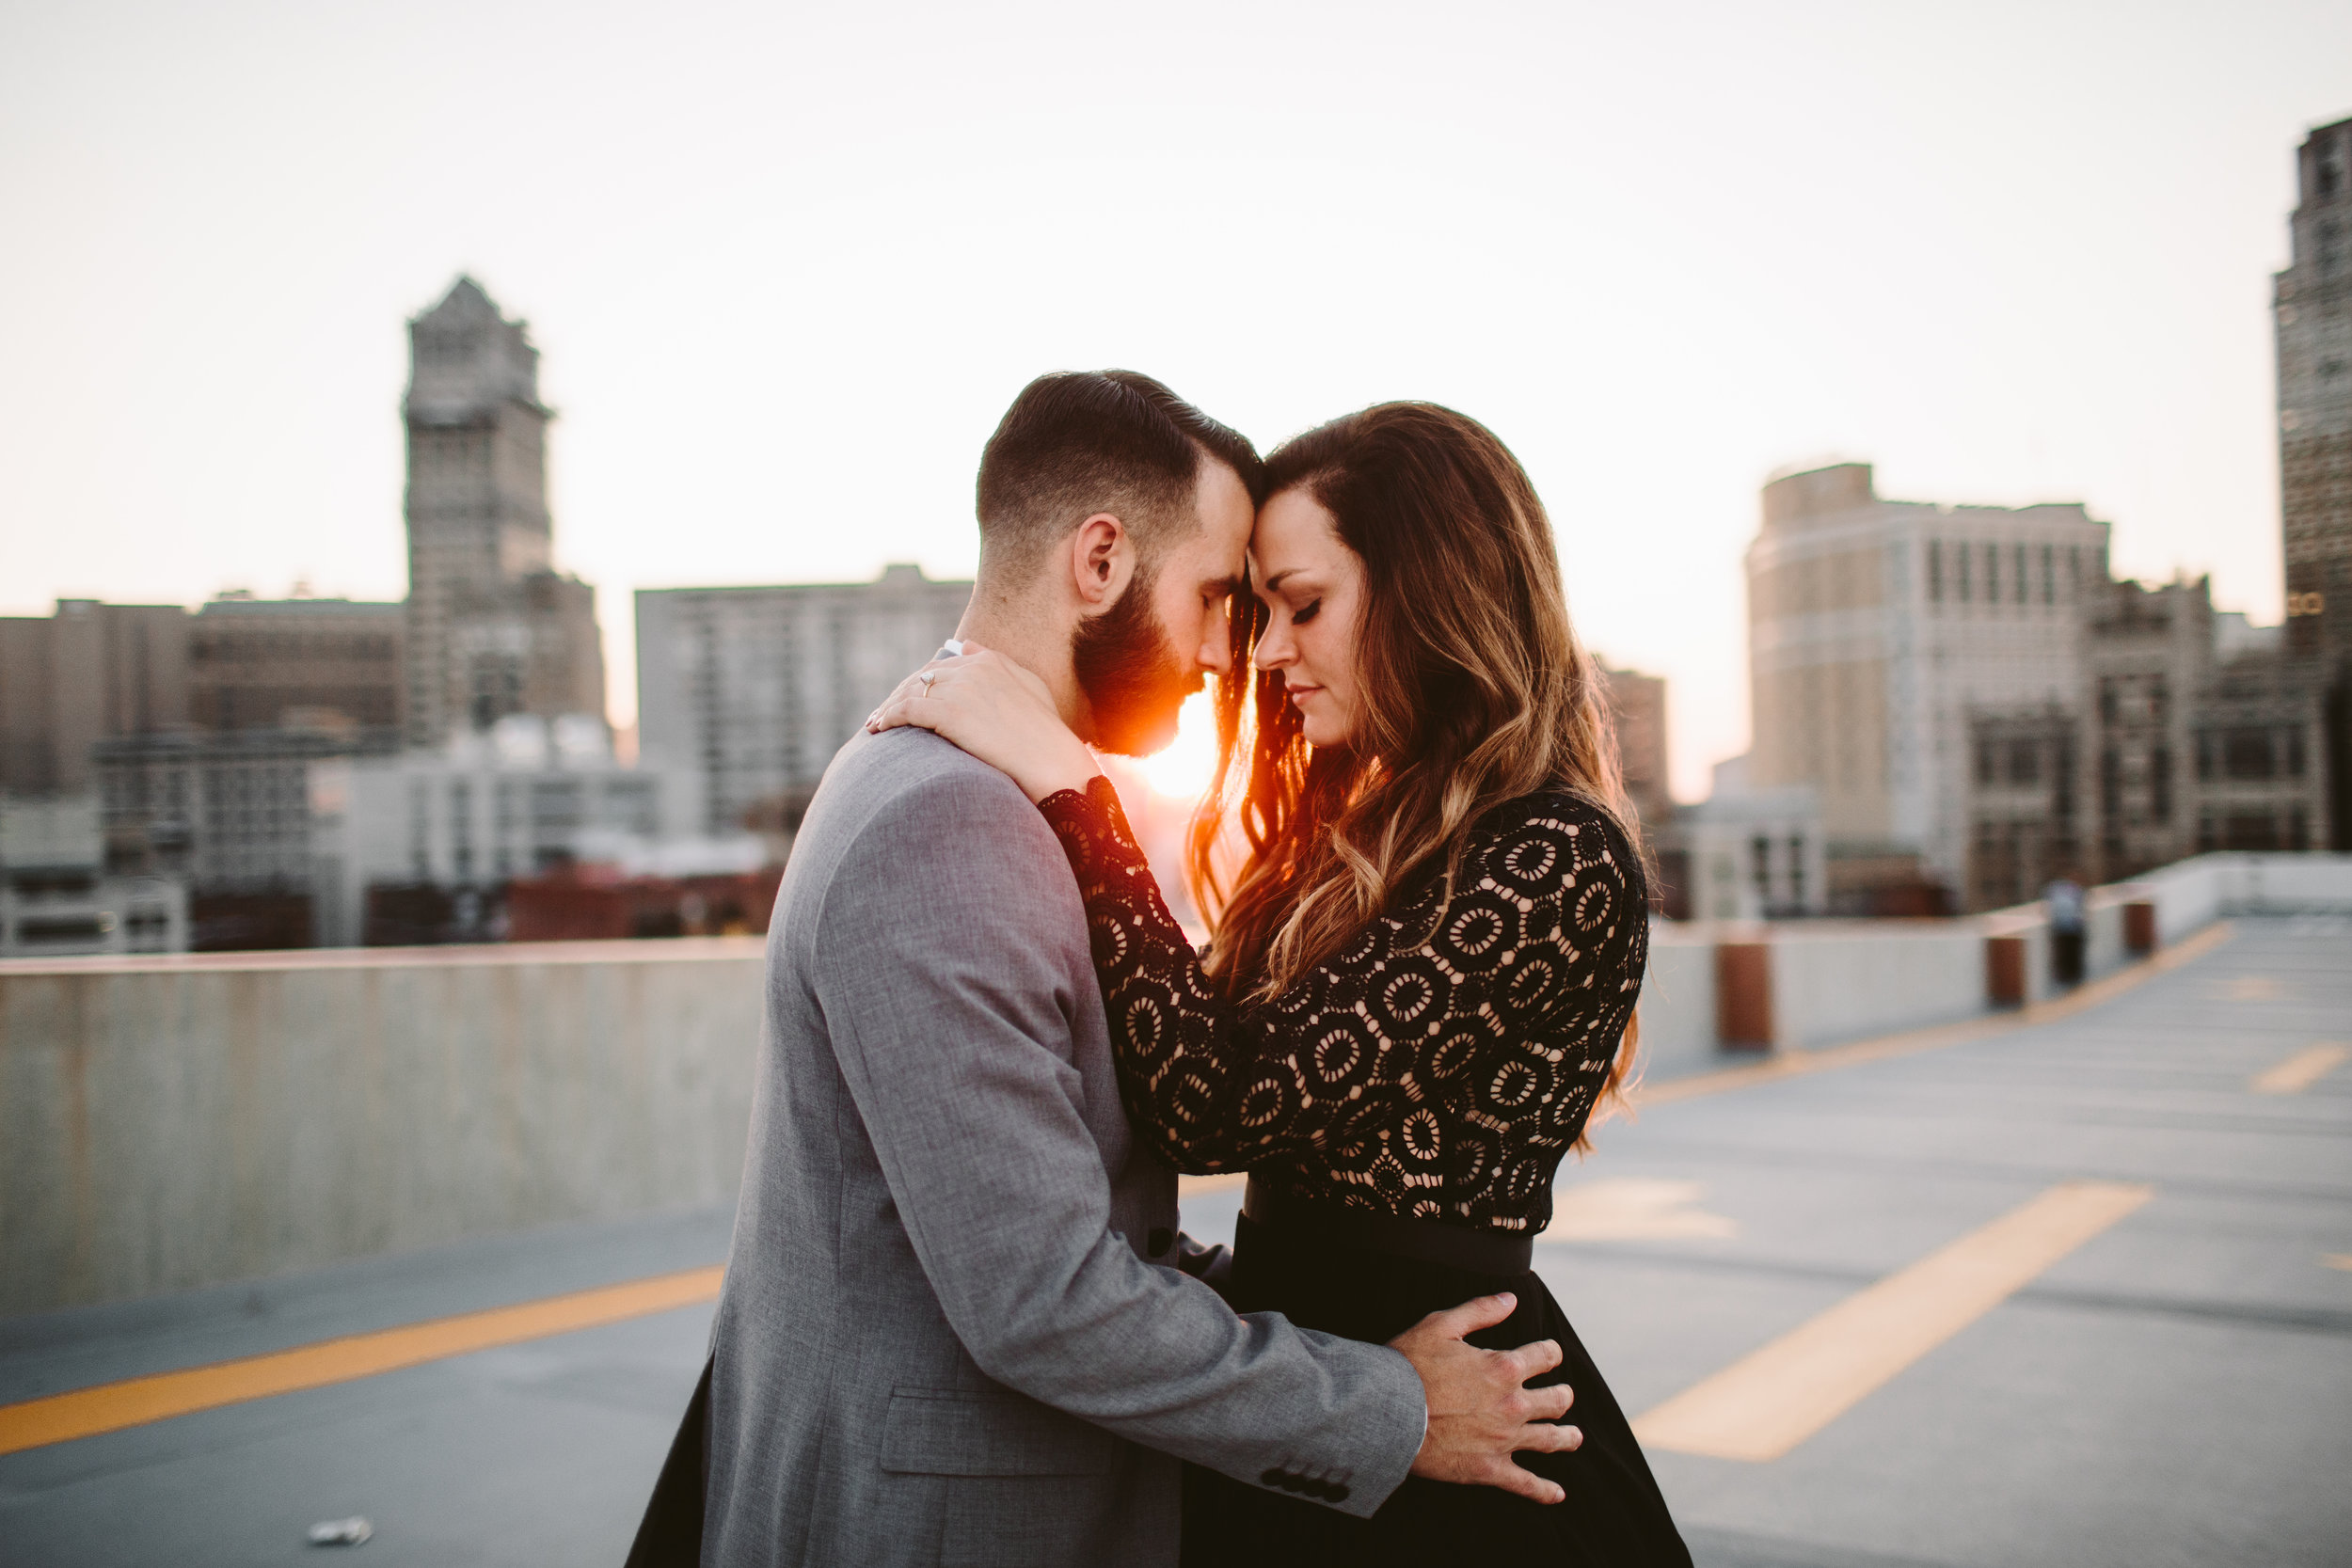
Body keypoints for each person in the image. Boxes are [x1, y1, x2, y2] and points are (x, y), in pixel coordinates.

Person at [636, 373, 1581, 1568]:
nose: (1232, 654)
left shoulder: (950, 783)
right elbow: (1045, 1295)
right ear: (1098, 561)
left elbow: (1066, 1208)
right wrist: (1384, 1403)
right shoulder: (950, 821)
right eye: (1221, 597)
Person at [873, 401, 1693, 1565]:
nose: (1263, 650)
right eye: (1256, 609)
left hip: (1460, 1433)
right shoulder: (1347, 830)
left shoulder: (1551, 853)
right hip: (1322, 1405)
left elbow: (1219, 1100)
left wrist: (1075, 791)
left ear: (1433, 594)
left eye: (1304, 606)